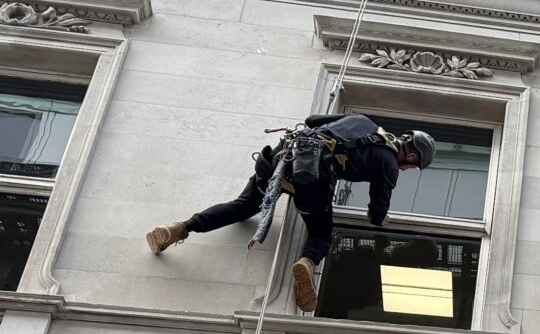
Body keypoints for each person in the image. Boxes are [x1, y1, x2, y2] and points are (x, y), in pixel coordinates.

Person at [146, 114, 437, 313]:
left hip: (281, 159)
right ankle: (307, 264)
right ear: (411, 154)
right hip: (311, 179)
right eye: (412, 166)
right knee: (322, 234)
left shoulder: (362, 121)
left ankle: (180, 228)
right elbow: (375, 214)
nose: (407, 169)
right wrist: (383, 219)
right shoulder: (388, 164)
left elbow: (311, 121)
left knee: (242, 207)